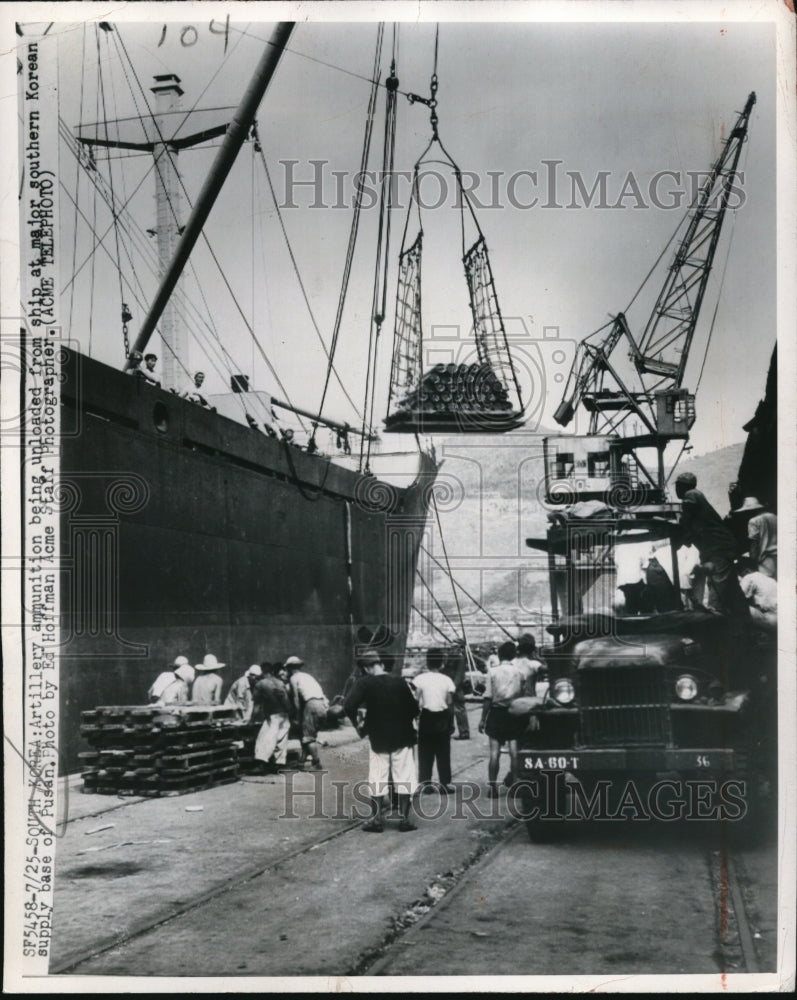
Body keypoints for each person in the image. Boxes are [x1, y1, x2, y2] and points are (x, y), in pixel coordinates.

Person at [344, 649, 420, 832]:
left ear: (367, 667)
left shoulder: (365, 683)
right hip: (403, 737)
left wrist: (358, 725)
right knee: (404, 778)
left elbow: (349, 705)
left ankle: (376, 820)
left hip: (379, 738)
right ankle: (404, 820)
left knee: (377, 778)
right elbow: (414, 710)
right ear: (381, 664)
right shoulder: (400, 682)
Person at [674, 472, 749, 620]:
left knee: (716, 586)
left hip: (718, 549)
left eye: (677, 485)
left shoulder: (691, 494)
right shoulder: (696, 496)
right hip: (720, 547)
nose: (676, 489)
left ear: (682, 486)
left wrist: (679, 534)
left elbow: (686, 522)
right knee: (732, 589)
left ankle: (715, 624)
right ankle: (745, 623)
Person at [478, 640, 522, 798]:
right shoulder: (518, 672)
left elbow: (488, 697)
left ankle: (493, 788)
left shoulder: (493, 672)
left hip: (496, 713)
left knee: (494, 753)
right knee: (514, 752)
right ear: (513, 655)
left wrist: (483, 719)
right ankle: (516, 786)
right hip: (514, 712)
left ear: (499, 655)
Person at [413, 648, 456, 792]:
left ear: (427, 662)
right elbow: (450, 703)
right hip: (443, 717)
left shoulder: (420, 679)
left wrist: (415, 717)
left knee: (425, 751)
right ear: (442, 663)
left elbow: (416, 699)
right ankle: (444, 784)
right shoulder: (447, 680)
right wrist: (451, 722)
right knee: (443, 751)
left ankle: (425, 784)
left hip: (426, 717)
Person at [285, 656, 328, 771]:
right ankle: (301, 762)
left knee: (308, 738)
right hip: (322, 705)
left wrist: (297, 715)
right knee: (307, 736)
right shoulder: (308, 676)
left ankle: (316, 763)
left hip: (311, 704)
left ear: (290, 668)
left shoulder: (294, 678)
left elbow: (296, 698)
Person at [251, 663, 292, 773]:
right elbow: (287, 701)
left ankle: (261, 765)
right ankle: (279, 765)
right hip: (284, 714)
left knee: (264, 739)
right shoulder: (280, 683)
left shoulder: (261, 684)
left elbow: (257, 706)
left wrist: (252, 720)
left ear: (262, 672)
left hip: (273, 716)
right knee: (281, 739)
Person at [738, 559, 777, 633]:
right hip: (781, 620)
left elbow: (739, 597)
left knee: (737, 606)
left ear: (746, 570)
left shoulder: (749, 577)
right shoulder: (771, 580)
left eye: (740, 573)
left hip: (770, 620)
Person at [442, 640, 470, 740]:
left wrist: (453, 687)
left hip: (456, 688)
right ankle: (449, 730)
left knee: (459, 711)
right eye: (450, 648)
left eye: (453, 648)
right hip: (449, 686)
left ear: (458, 648)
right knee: (448, 710)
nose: (451, 650)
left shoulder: (460, 658)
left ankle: (464, 732)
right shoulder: (450, 657)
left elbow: (459, 674)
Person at [744, 500, 777, 580]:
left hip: (765, 561)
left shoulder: (754, 521)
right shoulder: (775, 517)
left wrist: (752, 563)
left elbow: (754, 544)